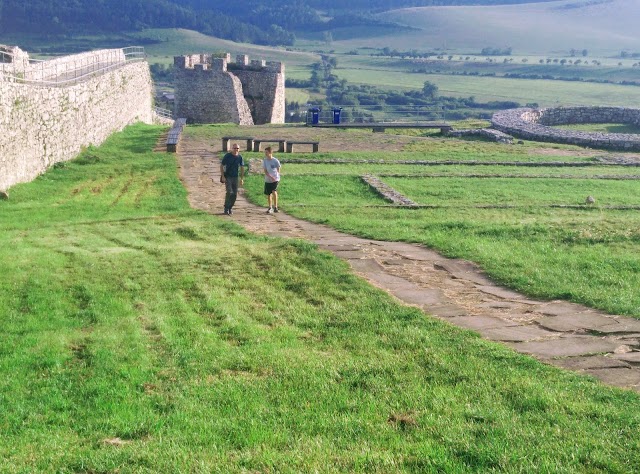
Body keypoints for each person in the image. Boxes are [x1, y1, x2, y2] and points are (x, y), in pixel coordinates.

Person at [220, 143, 244, 215]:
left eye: (237, 148)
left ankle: (230, 207)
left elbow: (242, 168)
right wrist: (223, 176)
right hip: (228, 176)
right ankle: (226, 208)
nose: (236, 150)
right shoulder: (228, 156)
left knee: (235, 194)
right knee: (229, 192)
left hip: (235, 177)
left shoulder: (240, 157)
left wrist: (242, 178)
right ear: (232, 149)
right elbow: (222, 165)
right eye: (235, 148)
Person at [263, 146, 281, 214]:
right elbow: (265, 171)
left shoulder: (275, 160)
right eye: (265, 152)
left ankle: (275, 207)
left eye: (267, 152)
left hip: (275, 179)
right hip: (268, 179)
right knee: (268, 193)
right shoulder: (265, 161)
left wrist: (277, 176)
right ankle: (270, 207)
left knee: (274, 191)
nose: (265, 154)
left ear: (270, 152)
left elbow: (278, 168)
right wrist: (270, 177)